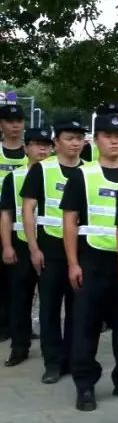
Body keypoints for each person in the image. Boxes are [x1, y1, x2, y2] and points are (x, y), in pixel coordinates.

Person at [61, 109, 118, 411]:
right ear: (97, 140)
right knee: (85, 326)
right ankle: (85, 385)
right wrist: (73, 262)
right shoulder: (83, 175)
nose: (115, 142)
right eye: (108, 136)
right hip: (91, 260)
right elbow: (69, 220)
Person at [21, 114, 87, 383]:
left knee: (78, 309)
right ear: (56, 142)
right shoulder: (42, 169)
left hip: (82, 250)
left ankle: (72, 359)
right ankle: (53, 361)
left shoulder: (89, 170)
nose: (75, 144)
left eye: (79, 139)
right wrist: (33, 247)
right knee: (49, 308)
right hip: (50, 248)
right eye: (69, 139)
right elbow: (28, 209)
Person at [1, 125, 52, 366]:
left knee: (50, 300)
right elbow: (6, 214)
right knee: (20, 298)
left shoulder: (60, 174)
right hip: (21, 244)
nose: (42, 148)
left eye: (46, 144)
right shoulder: (15, 177)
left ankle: (52, 350)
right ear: (26, 148)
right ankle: (19, 347)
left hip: (53, 244)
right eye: (36, 144)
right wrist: (7, 246)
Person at [0, 103, 28, 344]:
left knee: (17, 280)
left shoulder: (31, 152)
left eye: (19, 121)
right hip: (2, 218)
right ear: (1, 125)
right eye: (10, 121)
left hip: (22, 225)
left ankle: (18, 324)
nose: (15, 125)